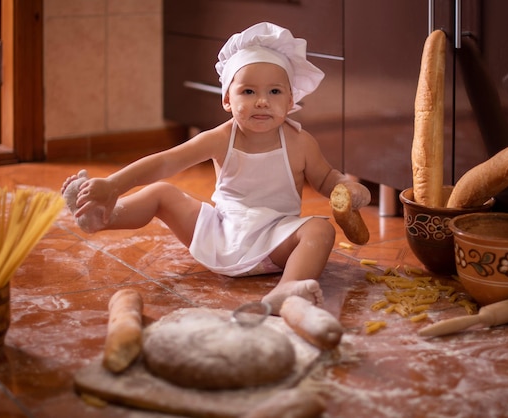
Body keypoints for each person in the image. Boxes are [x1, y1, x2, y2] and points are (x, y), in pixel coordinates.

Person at [61, 22, 371, 315]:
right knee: (162, 193)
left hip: (275, 243)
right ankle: (105, 214)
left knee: (320, 229)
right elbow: (165, 161)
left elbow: (326, 178)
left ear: (291, 100)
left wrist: (346, 188)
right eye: (248, 92)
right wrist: (114, 184)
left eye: (274, 92)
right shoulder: (221, 138)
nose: (262, 101)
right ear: (227, 99)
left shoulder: (301, 142)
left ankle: (287, 290)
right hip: (220, 233)